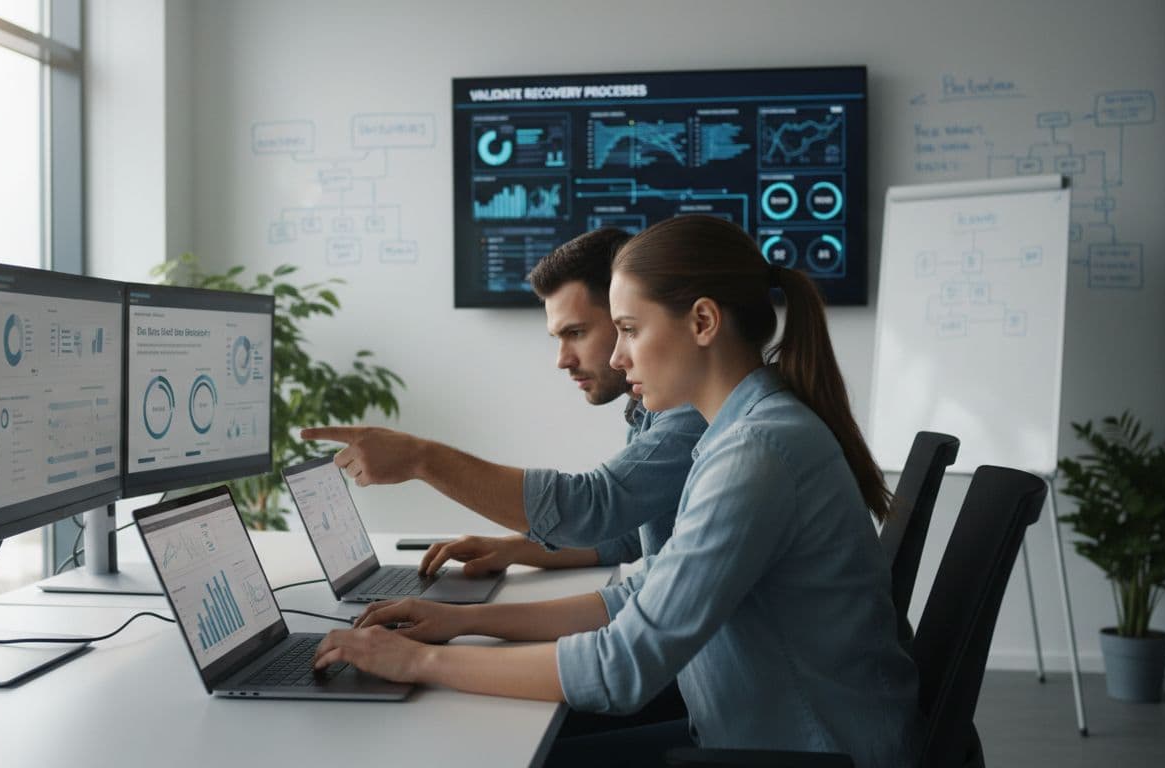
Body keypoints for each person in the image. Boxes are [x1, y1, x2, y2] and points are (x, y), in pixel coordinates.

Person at [307, 215, 922, 767]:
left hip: (802, 751)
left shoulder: (755, 454)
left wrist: (419, 662)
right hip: (758, 733)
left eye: (627, 328)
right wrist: (457, 621)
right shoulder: (740, 435)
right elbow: (641, 597)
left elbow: (620, 667)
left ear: (703, 321)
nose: (619, 356)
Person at [300, 226, 706, 577]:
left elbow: (594, 507)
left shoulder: (694, 413)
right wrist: (515, 549)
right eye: (558, 338)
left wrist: (419, 458)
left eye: (577, 332)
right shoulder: (650, 410)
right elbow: (624, 534)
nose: (562, 359)